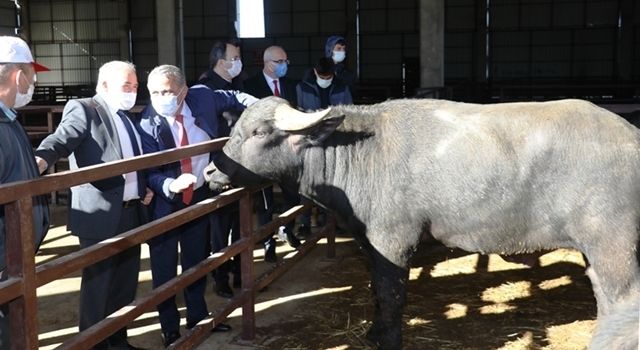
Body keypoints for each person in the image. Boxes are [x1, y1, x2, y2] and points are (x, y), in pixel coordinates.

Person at [137, 64, 256, 347]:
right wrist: (168, 185)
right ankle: (169, 328)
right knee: (164, 267)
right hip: (166, 203)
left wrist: (263, 106)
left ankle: (197, 316)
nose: (160, 97)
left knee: (196, 259)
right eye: (154, 92)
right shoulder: (146, 123)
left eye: (167, 91)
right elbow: (149, 172)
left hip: (199, 195)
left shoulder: (202, 96)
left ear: (183, 91)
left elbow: (236, 97)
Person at [35, 60, 152, 350]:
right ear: (104, 86)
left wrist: (143, 185)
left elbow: (133, 158)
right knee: (98, 287)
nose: (132, 92)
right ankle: (93, 345)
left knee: (124, 285)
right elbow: (62, 139)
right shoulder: (85, 108)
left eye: (135, 87)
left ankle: (117, 340)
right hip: (100, 214)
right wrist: (37, 161)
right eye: (126, 86)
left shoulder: (126, 117)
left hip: (131, 211)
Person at [0, 35, 50, 349]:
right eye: (32, 75)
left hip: (13, 256)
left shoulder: (9, 120)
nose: (32, 83)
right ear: (19, 76)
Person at [197, 39, 245, 299]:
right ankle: (219, 276)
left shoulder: (237, 85)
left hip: (240, 165)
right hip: (218, 167)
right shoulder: (206, 90)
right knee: (219, 227)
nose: (239, 62)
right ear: (221, 61)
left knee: (240, 222)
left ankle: (240, 270)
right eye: (235, 57)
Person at [244, 45, 301, 261]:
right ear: (268, 63)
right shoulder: (250, 86)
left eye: (286, 61)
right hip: (264, 152)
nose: (285, 65)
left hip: (286, 152)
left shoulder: (289, 85)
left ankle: (287, 229)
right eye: (280, 62)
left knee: (292, 194)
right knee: (265, 200)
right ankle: (268, 241)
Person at [295, 57, 353, 234]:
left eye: (328, 77)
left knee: (335, 182)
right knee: (307, 183)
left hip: (335, 141)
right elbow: (299, 112)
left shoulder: (342, 88)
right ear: (315, 72)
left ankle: (332, 221)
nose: (325, 79)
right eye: (322, 76)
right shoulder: (302, 88)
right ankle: (305, 222)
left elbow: (349, 112)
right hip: (311, 142)